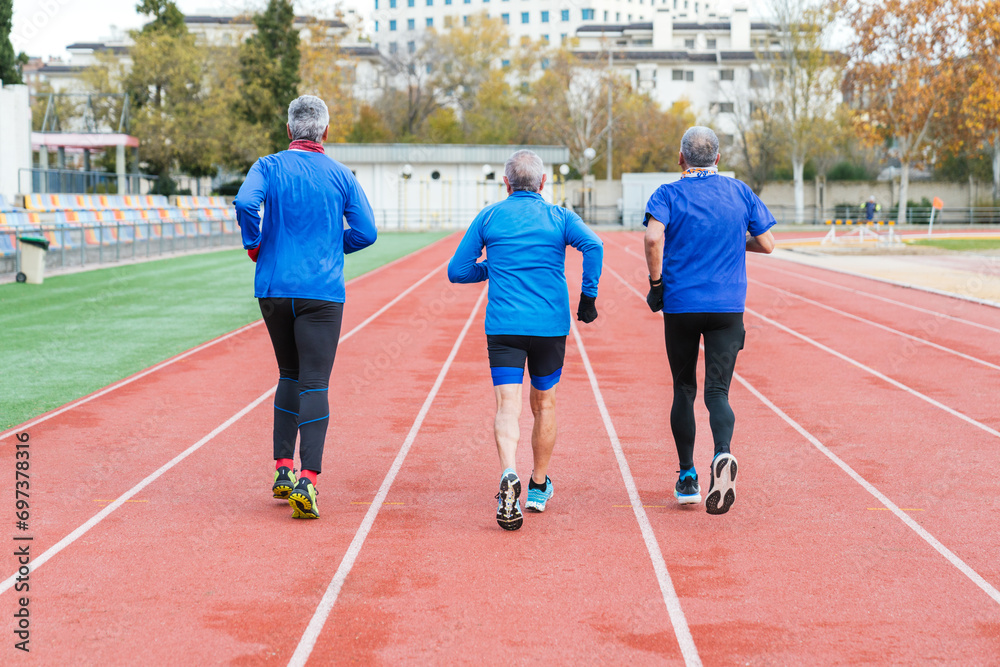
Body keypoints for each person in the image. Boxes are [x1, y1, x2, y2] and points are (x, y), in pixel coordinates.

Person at [234, 95, 377, 520]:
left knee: (288, 374)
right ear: (326, 132)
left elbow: (245, 203)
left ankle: (282, 469)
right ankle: (308, 481)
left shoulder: (267, 166)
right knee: (314, 382)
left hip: (275, 288)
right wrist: (336, 246)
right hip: (321, 292)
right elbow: (367, 232)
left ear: (290, 130)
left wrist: (254, 243)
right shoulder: (341, 175)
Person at [448, 150, 604, 531]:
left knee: (507, 404)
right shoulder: (559, 216)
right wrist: (588, 295)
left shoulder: (490, 216)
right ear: (543, 184)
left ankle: (508, 472)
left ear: (506, 184)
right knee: (545, 404)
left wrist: (491, 268)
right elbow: (594, 246)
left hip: (504, 326)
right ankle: (536, 487)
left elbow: (457, 271)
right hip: (550, 326)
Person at [642, 126, 775, 515]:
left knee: (683, 389)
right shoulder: (739, 192)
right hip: (727, 308)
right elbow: (767, 243)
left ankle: (687, 477)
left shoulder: (667, 194)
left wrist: (656, 284)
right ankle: (723, 454)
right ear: (718, 159)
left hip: (682, 305)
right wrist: (736, 241)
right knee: (718, 392)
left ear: (680, 158)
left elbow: (653, 239)